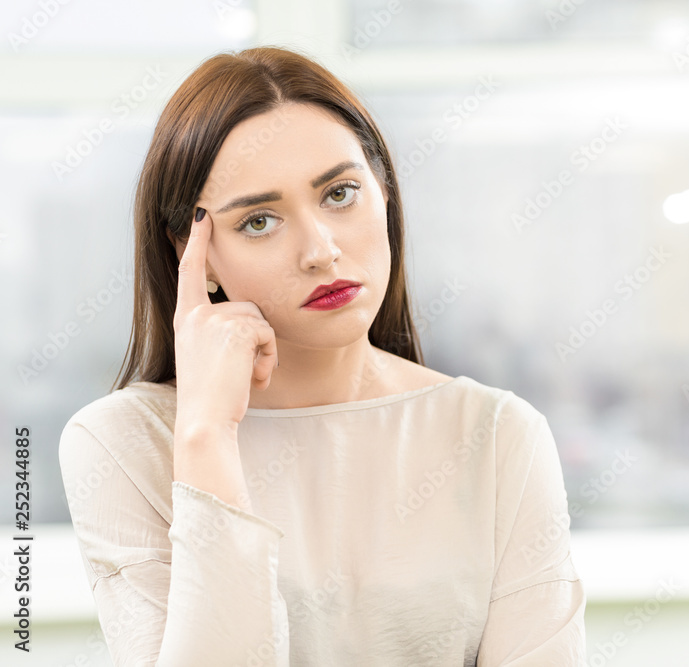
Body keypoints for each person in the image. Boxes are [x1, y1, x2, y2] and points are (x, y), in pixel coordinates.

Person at [57, 45, 586, 666]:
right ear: (193, 254)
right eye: (258, 221)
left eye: (339, 194)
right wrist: (205, 437)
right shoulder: (121, 443)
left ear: (383, 193)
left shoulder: (497, 435)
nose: (320, 250)